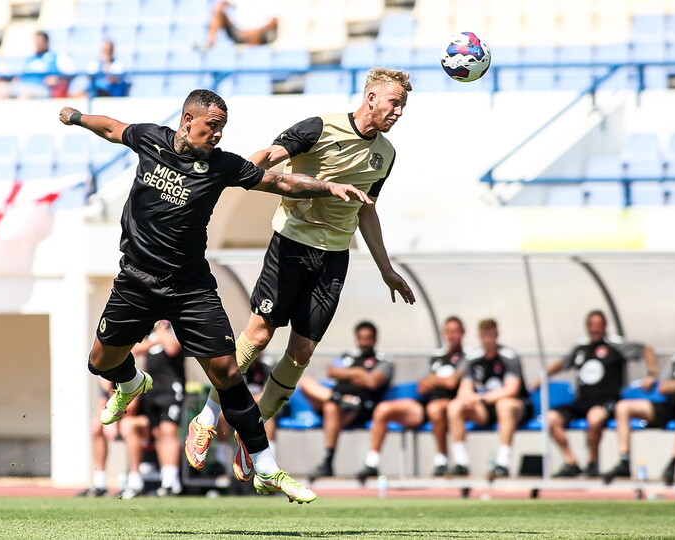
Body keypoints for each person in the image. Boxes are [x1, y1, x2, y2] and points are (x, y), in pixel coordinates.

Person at [59, 88, 372, 504]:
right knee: (100, 362)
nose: (218, 135)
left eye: (222, 128)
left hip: (190, 288)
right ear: (187, 120)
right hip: (135, 279)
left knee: (227, 374)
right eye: (212, 126)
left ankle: (266, 467)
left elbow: (278, 180)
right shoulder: (150, 138)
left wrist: (326, 187)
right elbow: (112, 128)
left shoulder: (222, 165)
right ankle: (132, 383)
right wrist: (78, 116)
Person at [186, 68, 416, 479]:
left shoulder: (388, 154)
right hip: (290, 245)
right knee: (258, 334)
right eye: (393, 102)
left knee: (301, 353)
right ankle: (206, 417)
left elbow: (367, 210)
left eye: (403, 105)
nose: (398, 111)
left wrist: (387, 269)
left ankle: (249, 436)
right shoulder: (318, 128)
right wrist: (219, 180)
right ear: (371, 99)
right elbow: (265, 159)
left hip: (333, 258)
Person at [535, 310, 659, 478]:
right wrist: (542, 376)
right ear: (587, 327)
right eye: (592, 325)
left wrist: (651, 374)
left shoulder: (615, 345)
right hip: (581, 401)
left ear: (605, 326)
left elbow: (647, 349)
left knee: (595, 418)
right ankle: (571, 462)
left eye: (599, 325)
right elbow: (563, 363)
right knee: (549, 418)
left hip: (606, 401)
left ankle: (591, 462)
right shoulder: (580, 348)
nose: (595, 329)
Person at [357, 316, 467, 481]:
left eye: (455, 332)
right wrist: (436, 381)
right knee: (383, 409)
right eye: (449, 332)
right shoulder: (437, 357)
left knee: (436, 409)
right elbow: (421, 386)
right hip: (426, 403)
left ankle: (442, 461)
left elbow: (452, 383)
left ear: (462, 333)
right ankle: (372, 463)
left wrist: (434, 380)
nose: (452, 336)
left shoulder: (468, 357)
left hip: (452, 405)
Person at [300, 321, 393, 483]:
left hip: (358, 407)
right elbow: (331, 370)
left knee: (330, 407)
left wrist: (346, 374)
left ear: (375, 339)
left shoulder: (383, 361)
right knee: (305, 381)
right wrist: (359, 373)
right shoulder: (348, 356)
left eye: (368, 338)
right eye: (361, 338)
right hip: (335, 399)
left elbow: (373, 382)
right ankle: (337, 399)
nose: (364, 342)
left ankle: (327, 462)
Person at [447, 319, 532, 478]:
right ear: (479, 336)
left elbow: (511, 389)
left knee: (504, 405)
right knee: (454, 406)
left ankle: (502, 463)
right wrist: (469, 399)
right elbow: (464, 389)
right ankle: (461, 463)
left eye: (490, 335)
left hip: (515, 407)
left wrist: (481, 398)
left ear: (496, 335)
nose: (488, 339)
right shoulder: (473, 358)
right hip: (484, 406)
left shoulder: (508, 356)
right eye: (484, 336)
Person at [602, 346, 675, 485]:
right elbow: (663, 387)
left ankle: (673, 462)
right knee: (623, 407)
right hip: (669, 405)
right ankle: (624, 461)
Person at [128, 320, 186, 496]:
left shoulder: (174, 329)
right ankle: (161, 478)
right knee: (157, 434)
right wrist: (155, 338)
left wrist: (162, 333)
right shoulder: (149, 332)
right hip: (152, 389)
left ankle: (171, 482)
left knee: (168, 431)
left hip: (171, 389)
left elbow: (172, 348)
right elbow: (134, 351)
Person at [77, 378, 143, 498]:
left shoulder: (130, 376)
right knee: (96, 426)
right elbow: (101, 406)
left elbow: (132, 408)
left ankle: (135, 482)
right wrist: (108, 421)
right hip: (118, 416)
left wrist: (112, 419)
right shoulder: (106, 379)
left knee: (127, 425)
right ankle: (100, 482)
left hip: (143, 419)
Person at [205, 1, 278, 48]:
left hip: (260, 32)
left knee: (254, 34)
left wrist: (253, 31)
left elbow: (274, 21)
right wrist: (220, 6)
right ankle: (209, 44)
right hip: (240, 31)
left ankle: (253, 59)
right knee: (218, 10)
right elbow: (226, 3)